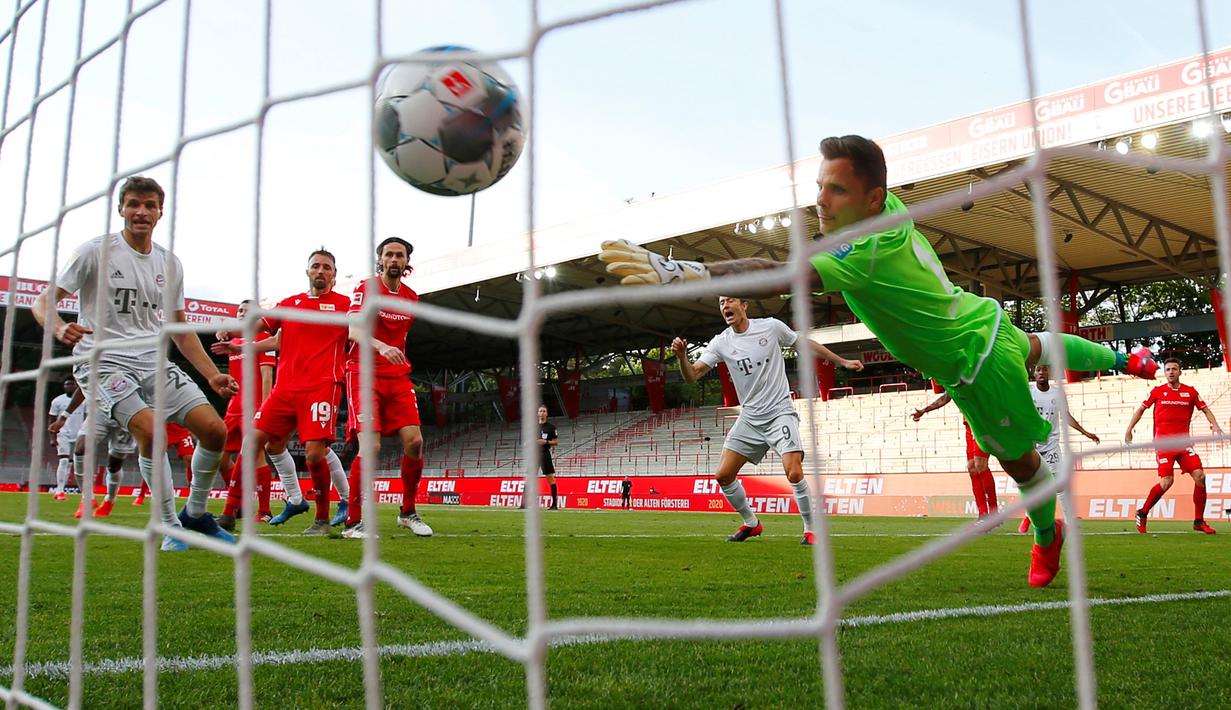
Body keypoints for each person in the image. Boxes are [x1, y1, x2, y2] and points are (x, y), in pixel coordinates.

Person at [599, 134, 1158, 586]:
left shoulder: (859, 250)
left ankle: (1045, 535)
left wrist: (690, 272)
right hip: (976, 320)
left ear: (870, 199)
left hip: (973, 363)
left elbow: (778, 277)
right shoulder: (886, 209)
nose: (820, 199)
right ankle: (1122, 356)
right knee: (1034, 343)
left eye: (836, 190)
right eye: (820, 186)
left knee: (1018, 461)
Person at [31, 176, 238, 551]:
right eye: (133, 204)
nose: (141, 211)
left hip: (150, 361)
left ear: (160, 212)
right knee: (151, 431)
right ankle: (168, 524)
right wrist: (60, 328)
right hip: (103, 361)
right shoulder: (94, 252)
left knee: (214, 430)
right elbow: (43, 302)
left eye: (149, 205)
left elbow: (179, 329)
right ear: (121, 209)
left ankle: (194, 514)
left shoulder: (169, 263)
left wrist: (212, 375)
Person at [673, 295, 863, 545]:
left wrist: (841, 360)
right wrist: (682, 358)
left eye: (730, 301)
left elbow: (803, 343)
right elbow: (692, 375)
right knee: (723, 476)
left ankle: (811, 529)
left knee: (794, 473)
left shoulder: (771, 327)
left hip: (779, 412)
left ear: (744, 305)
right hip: (750, 418)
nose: (725, 306)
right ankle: (752, 523)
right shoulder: (721, 342)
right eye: (721, 303)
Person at [241, 248, 351, 536]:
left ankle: (337, 505)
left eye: (327, 267)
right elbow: (275, 338)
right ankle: (295, 499)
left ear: (334, 275)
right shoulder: (291, 305)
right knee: (268, 445)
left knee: (317, 451)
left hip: (319, 386)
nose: (321, 271)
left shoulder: (344, 306)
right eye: (316, 266)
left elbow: (361, 332)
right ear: (307, 271)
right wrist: (236, 336)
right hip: (286, 390)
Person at [340, 237, 432, 539]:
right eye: (389, 254)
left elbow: (400, 336)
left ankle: (407, 513)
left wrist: (394, 354)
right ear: (380, 260)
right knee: (372, 446)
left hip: (396, 376)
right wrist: (380, 346)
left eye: (399, 255)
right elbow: (354, 331)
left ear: (406, 262)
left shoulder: (411, 298)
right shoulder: (365, 289)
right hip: (363, 372)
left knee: (415, 442)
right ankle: (353, 522)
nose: (394, 259)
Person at [1124, 357, 1222, 534]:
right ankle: (1143, 512)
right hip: (1164, 444)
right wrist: (1129, 429)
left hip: (1184, 444)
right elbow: (1140, 409)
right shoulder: (1157, 391)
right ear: (1164, 372)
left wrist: (1215, 425)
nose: (1170, 372)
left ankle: (1199, 521)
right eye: (1167, 369)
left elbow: (1206, 409)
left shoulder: (1190, 392)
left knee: (1200, 477)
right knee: (1167, 482)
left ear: (1180, 372)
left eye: (1174, 369)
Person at [210, 299, 278, 531]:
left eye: (248, 311)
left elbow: (267, 376)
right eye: (239, 310)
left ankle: (265, 510)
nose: (242, 314)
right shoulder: (234, 341)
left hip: (254, 408)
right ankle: (240, 505)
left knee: (256, 457)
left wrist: (265, 409)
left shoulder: (262, 340)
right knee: (220, 458)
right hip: (233, 408)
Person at [1017, 365, 1100, 533]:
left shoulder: (1057, 393)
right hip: (1032, 446)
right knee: (1033, 486)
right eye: (1038, 370)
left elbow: (1066, 416)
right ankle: (1028, 517)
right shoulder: (1029, 392)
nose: (1041, 373)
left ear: (1050, 373)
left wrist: (1085, 432)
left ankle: (1069, 521)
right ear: (1034, 373)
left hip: (1052, 446)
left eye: (1045, 370)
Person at [911, 392, 998, 521]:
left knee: (980, 464)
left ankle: (993, 512)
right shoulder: (954, 382)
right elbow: (945, 397)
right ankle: (983, 514)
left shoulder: (973, 378)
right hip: (970, 427)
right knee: (972, 467)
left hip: (983, 425)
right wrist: (924, 410)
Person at [47, 376, 80, 501]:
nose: (69, 386)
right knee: (64, 461)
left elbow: (88, 418)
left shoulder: (84, 401)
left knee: (73, 464)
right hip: (63, 434)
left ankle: (69, 489)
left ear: (76, 386)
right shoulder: (57, 401)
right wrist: (52, 437)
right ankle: (60, 490)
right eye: (67, 384)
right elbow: (52, 420)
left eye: (72, 384)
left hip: (78, 435)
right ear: (64, 386)